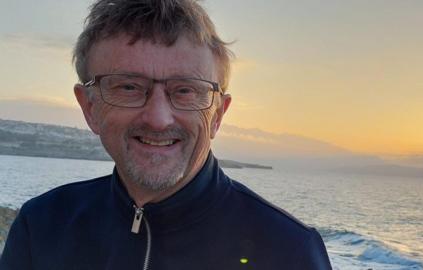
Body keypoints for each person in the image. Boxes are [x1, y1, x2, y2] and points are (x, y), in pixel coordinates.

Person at [0, 0, 331, 269]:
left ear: (217, 114)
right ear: (89, 107)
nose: (158, 119)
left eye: (186, 91)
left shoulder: (290, 251)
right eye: (128, 86)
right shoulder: (41, 226)